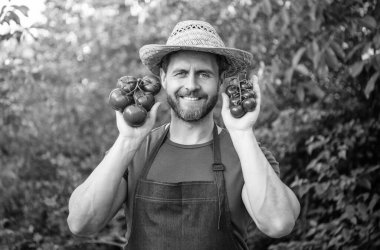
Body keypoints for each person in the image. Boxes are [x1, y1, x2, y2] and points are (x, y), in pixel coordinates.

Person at [67, 20, 300, 250]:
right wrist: (128, 140)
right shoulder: (133, 151)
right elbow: (81, 222)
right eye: (180, 73)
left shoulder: (248, 154)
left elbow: (278, 223)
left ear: (220, 81)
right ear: (164, 78)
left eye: (204, 74)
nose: (191, 84)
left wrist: (242, 133)